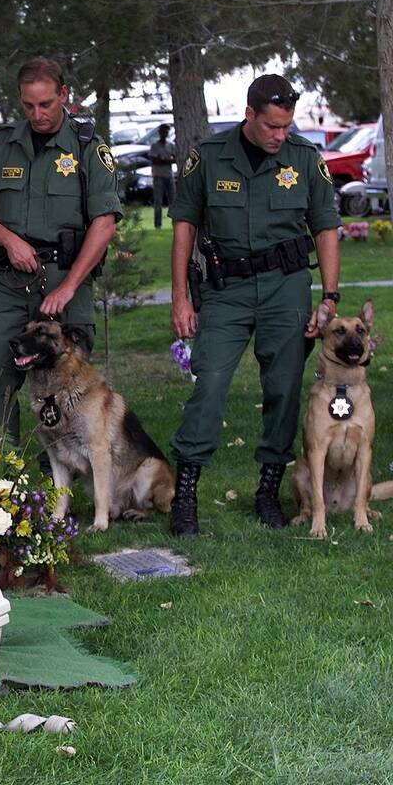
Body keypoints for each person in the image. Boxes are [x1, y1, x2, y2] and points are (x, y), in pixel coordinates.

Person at [167, 74, 341, 537]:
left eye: (286, 127)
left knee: (284, 388)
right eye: (272, 127)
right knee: (211, 383)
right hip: (226, 288)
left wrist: (329, 297)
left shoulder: (304, 158)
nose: (280, 136)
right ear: (249, 115)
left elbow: (325, 226)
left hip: (286, 286)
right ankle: (184, 494)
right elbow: (184, 223)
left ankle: (268, 489)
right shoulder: (208, 157)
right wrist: (180, 295)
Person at [0, 58, 121, 444]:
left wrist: (69, 288)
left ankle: (57, 487)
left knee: (68, 389)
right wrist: (9, 240)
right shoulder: (1, 145)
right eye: (29, 105)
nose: (38, 114)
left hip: (67, 279)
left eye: (46, 104)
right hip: (9, 282)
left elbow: (105, 223)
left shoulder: (88, 148)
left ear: (63, 95)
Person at [148, 123, 177, 228]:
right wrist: (166, 160)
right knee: (158, 202)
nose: (165, 133)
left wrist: (163, 159)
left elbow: (174, 158)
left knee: (173, 201)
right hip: (158, 176)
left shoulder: (171, 145)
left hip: (169, 176)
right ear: (159, 132)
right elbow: (154, 160)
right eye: (163, 131)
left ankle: (175, 222)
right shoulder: (154, 146)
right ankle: (158, 224)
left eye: (166, 131)